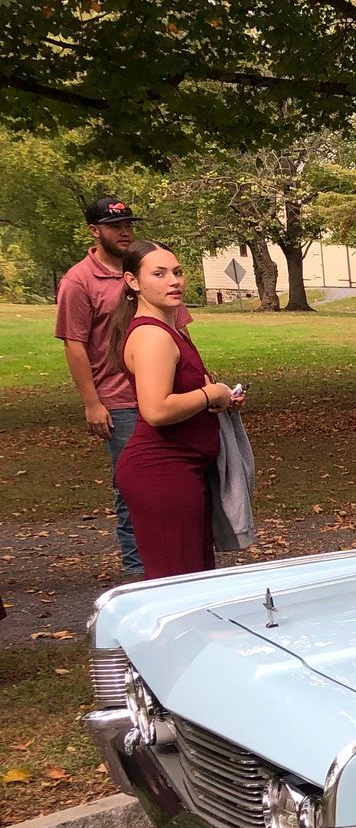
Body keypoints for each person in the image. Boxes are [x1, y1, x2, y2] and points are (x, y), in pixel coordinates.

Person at [55, 196, 190, 578]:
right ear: (94, 231)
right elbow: (74, 343)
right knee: (134, 493)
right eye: (115, 226)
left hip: (167, 394)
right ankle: (139, 575)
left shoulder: (155, 271)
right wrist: (92, 403)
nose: (125, 231)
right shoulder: (79, 281)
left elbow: (180, 332)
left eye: (129, 224)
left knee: (175, 486)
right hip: (122, 403)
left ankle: (177, 569)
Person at [109, 242, 237, 579]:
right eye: (159, 273)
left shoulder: (169, 330)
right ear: (132, 282)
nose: (174, 281)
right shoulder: (153, 336)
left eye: (177, 272)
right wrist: (211, 393)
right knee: (177, 582)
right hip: (162, 471)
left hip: (185, 469)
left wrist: (218, 398)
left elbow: (180, 396)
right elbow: (156, 410)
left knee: (194, 576)